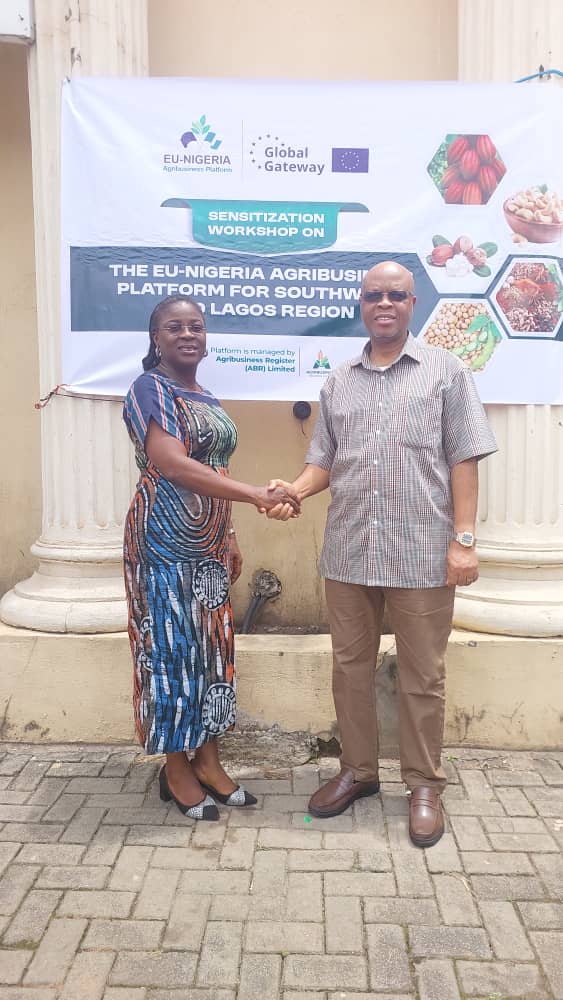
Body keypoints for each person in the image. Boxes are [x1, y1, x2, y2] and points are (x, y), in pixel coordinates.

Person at [266, 261, 497, 847]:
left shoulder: (446, 371)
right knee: (350, 670)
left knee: (423, 676)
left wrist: (464, 540)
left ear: (413, 303)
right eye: (374, 295)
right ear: (362, 304)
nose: (385, 303)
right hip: (350, 550)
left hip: (423, 553)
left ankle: (424, 786)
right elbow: (323, 460)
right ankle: (358, 772)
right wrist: (295, 490)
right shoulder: (339, 380)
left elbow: (464, 458)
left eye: (396, 294)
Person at [122, 294, 300, 821]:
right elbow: (172, 464)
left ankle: (209, 761)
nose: (187, 335)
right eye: (174, 327)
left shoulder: (206, 395)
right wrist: (256, 495)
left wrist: (231, 534)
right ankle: (175, 769)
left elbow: (216, 467)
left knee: (212, 652)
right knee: (172, 650)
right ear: (156, 338)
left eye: (196, 327)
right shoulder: (149, 389)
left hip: (209, 546)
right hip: (164, 542)